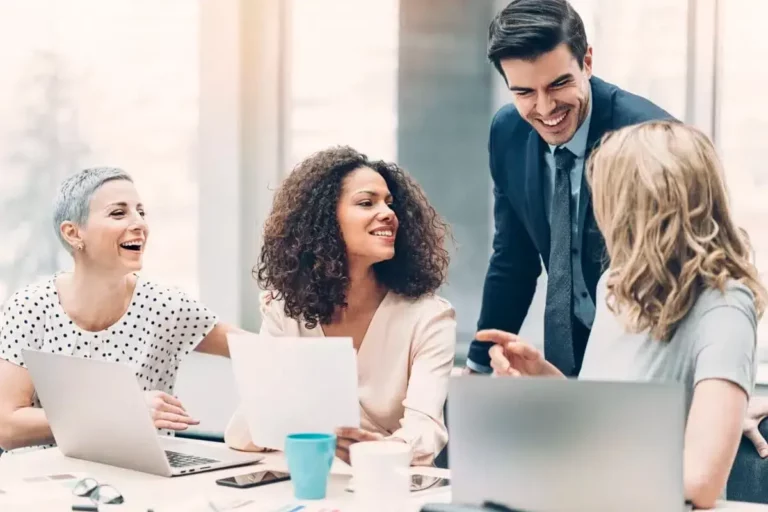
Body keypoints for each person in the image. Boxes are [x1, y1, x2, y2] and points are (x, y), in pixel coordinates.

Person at [485, 120, 766, 508]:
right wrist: (541, 378)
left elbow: (700, 480)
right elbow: (604, 423)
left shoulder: (725, 305)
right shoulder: (616, 285)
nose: (599, 213)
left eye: (607, 197)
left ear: (646, 207)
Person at [465, 0, 672, 378]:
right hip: (569, 353)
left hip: (646, 350)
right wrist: (478, 366)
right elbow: (513, 257)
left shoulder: (649, 136)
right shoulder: (508, 132)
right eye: (524, 92)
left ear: (587, 61)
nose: (545, 108)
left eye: (559, 83)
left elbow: (679, 273)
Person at [224, 146, 455, 466]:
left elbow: (425, 431)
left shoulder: (430, 317)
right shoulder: (286, 309)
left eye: (389, 203)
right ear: (323, 220)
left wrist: (373, 450)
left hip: (388, 485)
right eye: (366, 203)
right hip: (310, 481)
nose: (388, 213)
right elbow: (245, 433)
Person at [0, 168, 241, 452]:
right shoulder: (30, 307)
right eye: (118, 213)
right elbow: (7, 426)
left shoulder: (166, 305)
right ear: (73, 233)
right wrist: (121, 413)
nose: (139, 223)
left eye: (141, 212)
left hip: (144, 479)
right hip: (47, 483)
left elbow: (259, 353)